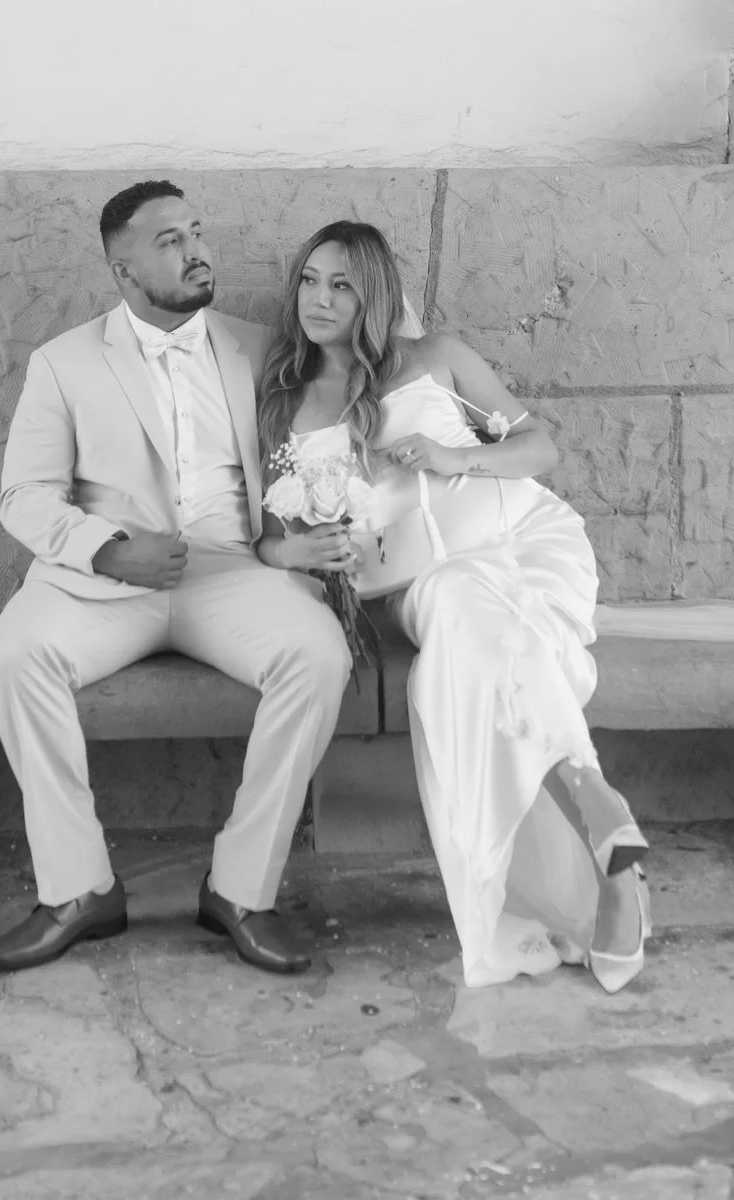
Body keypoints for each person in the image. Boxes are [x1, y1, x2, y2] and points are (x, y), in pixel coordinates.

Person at [254, 220, 651, 991]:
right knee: (463, 615)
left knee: (470, 648)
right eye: (309, 280)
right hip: (418, 589)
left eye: (341, 284)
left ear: (373, 296)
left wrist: (454, 457)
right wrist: (301, 552)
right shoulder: (285, 403)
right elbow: (266, 539)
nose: (319, 299)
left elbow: (541, 447)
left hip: (523, 545)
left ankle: (600, 841)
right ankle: (597, 816)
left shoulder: (437, 361)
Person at [0, 181, 351, 974]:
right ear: (123, 268)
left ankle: (243, 891)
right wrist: (110, 548)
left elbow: (341, 410)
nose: (195, 250)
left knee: (318, 658)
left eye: (196, 231)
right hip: (104, 580)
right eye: (169, 240)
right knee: (16, 656)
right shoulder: (64, 362)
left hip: (233, 571)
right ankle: (78, 890)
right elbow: (22, 495)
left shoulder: (260, 348)